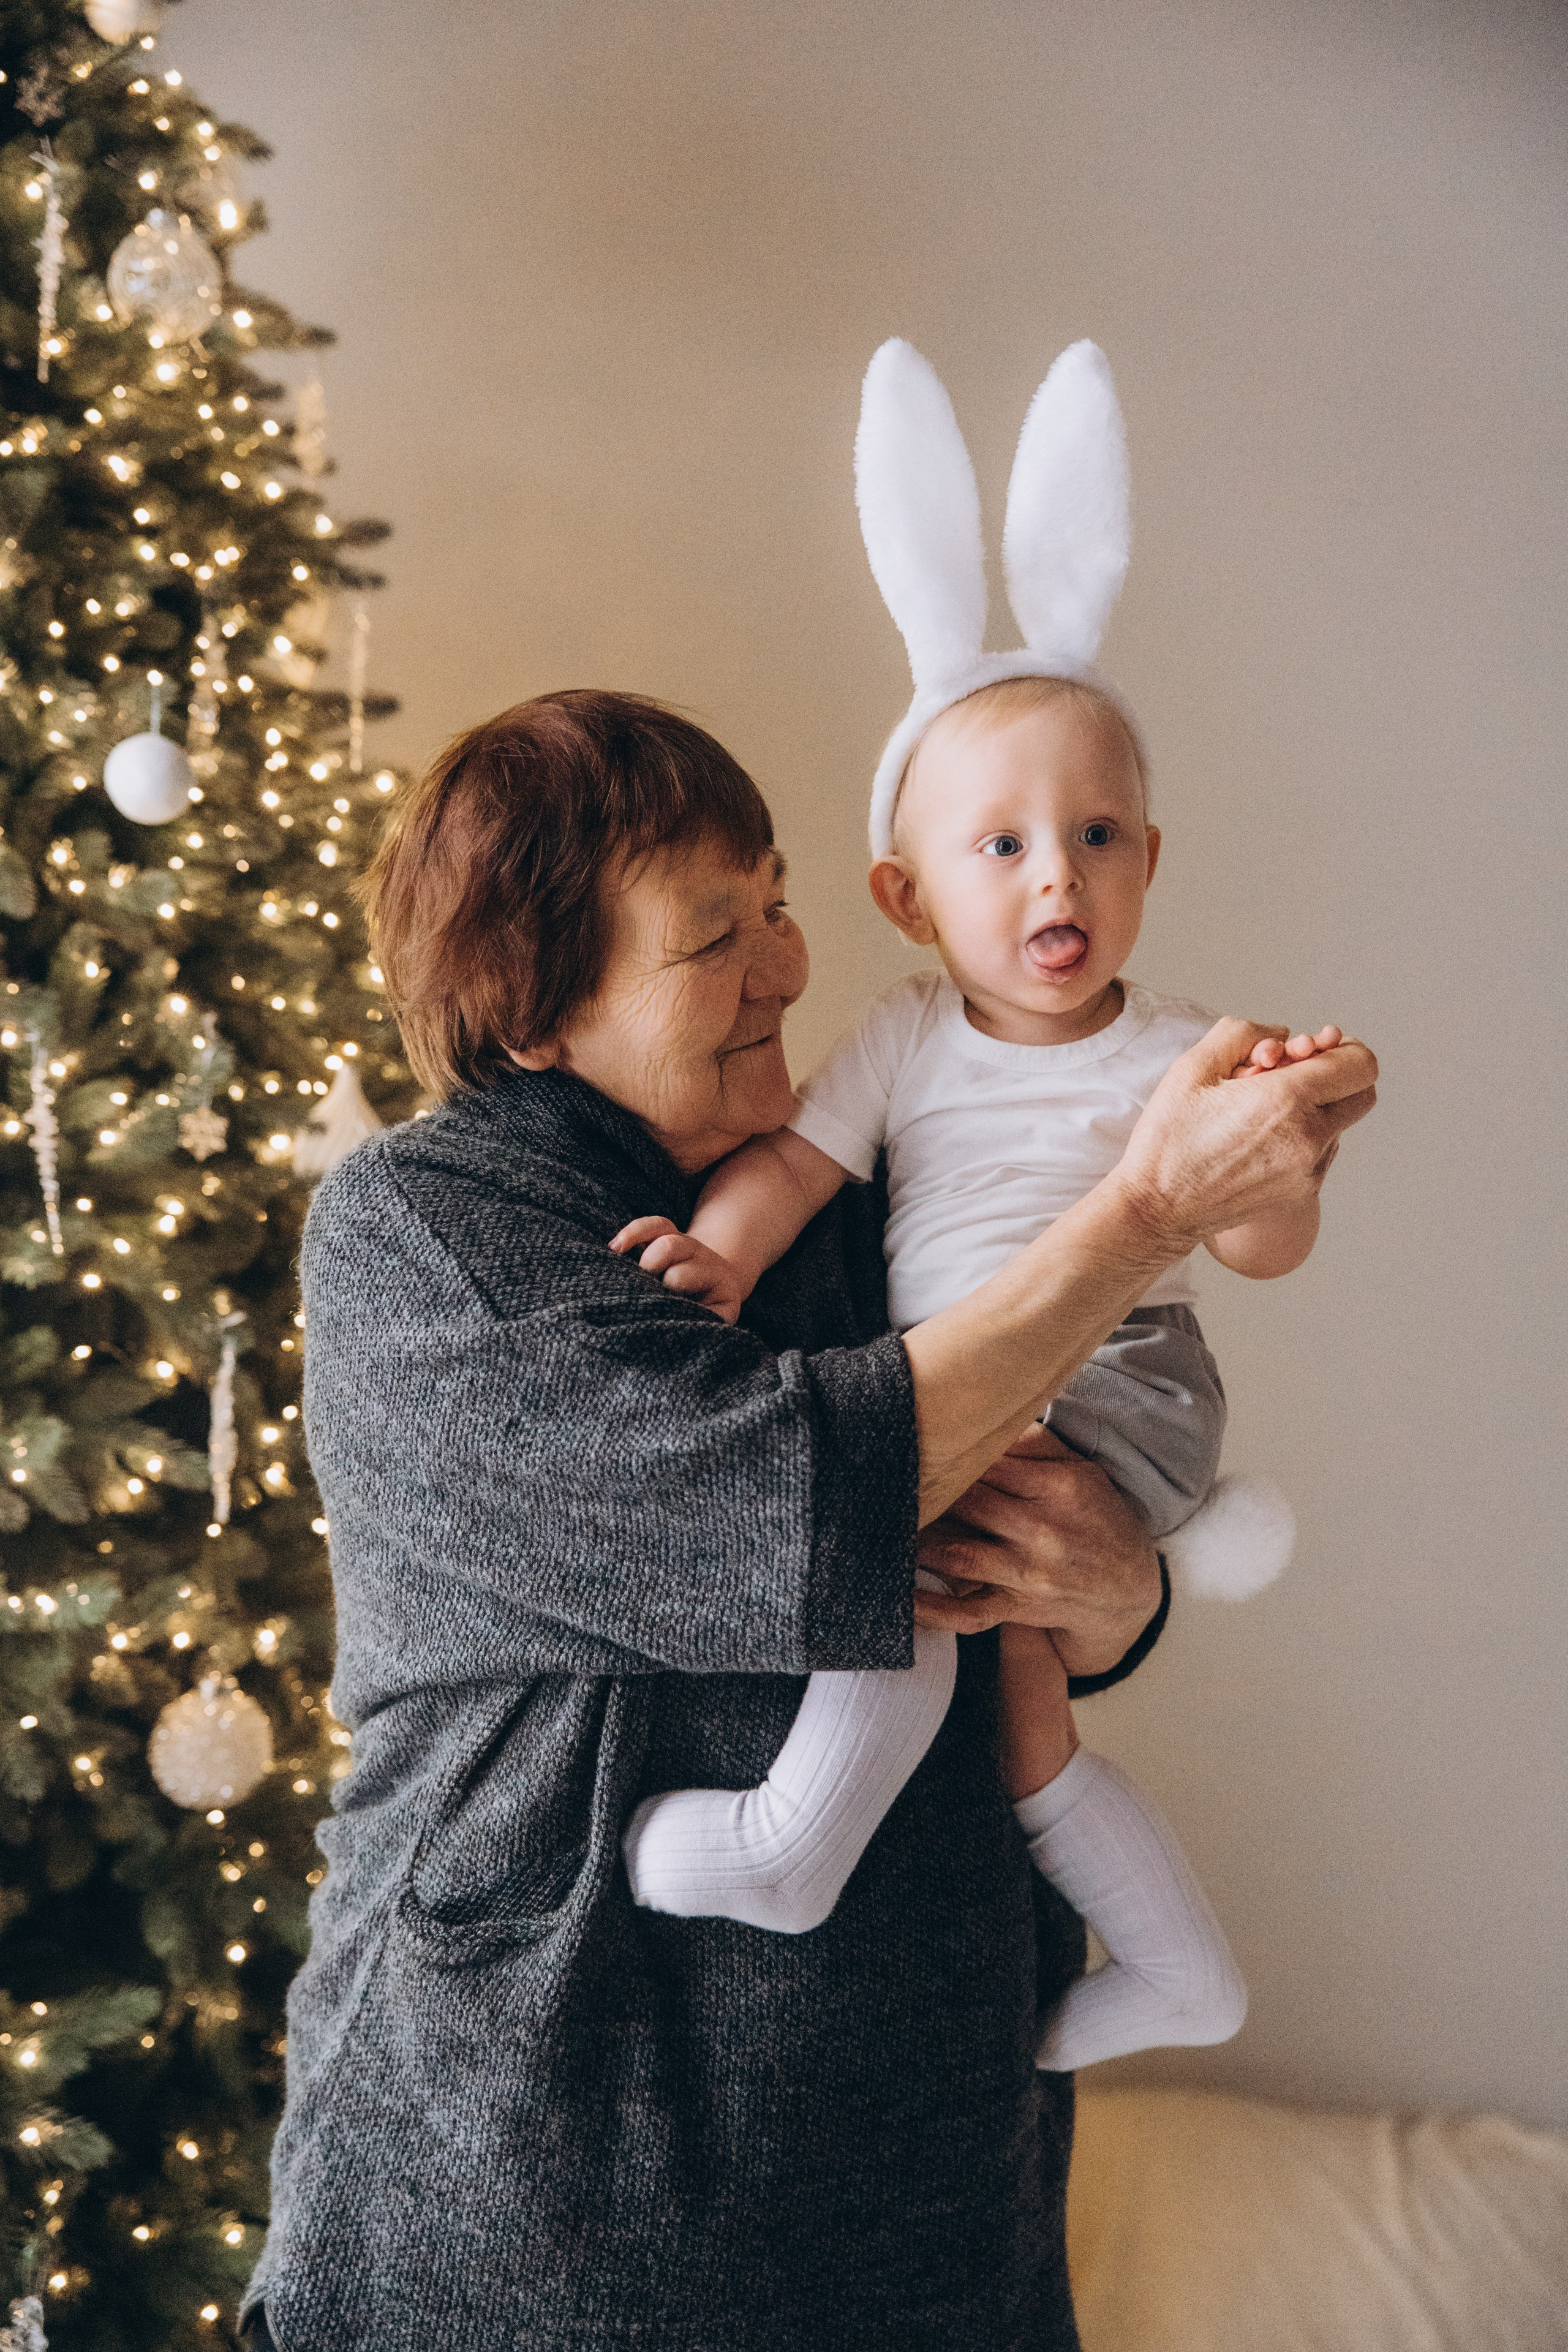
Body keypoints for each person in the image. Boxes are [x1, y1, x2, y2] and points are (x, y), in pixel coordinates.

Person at [241, 688, 1375, 2352]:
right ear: (538, 1003)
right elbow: (780, 1514)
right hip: (553, 2224)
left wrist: (1118, 1592)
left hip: (945, 2210)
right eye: (717, 935)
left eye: (776, 902)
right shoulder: (433, 1229)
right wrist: (1146, 1211)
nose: (786, 962)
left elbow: (1023, 1541)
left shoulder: (847, 1196)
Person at [610, 341, 1331, 2074]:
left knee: (900, 1547)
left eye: (1098, 835)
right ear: (908, 895)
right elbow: (795, 1170)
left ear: (1151, 858)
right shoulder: (902, 1040)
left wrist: (1280, 1169)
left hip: (1124, 1382)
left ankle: (787, 1848)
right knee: (1008, 1685)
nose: (1056, 874)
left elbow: (1254, 1245)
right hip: (990, 1388)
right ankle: (1182, 1974)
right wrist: (722, 1258)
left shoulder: (1181, 1046)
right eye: (1000, 847)